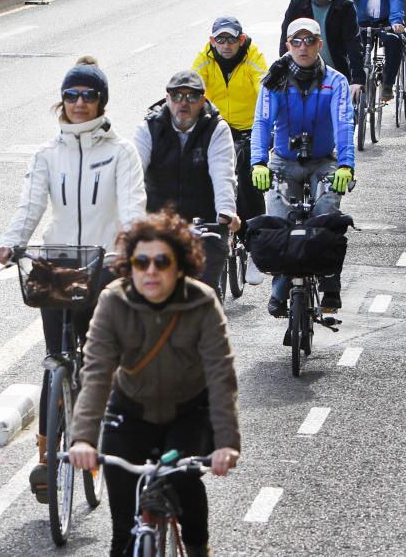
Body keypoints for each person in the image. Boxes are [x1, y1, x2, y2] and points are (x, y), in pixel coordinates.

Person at [0, 56, 146, 500]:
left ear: (101, 101)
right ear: (62, 101)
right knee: (55, 361)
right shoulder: (47, 154)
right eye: (71, 95)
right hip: (58, 266)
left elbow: (133, 205)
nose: (79, 104)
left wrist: (130, 250)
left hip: (105, 263)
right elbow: (29, 206)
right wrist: (10, 242)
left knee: (104, 359)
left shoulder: (121, 153)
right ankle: (46, 457)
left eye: (88, 96)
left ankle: (110, 434)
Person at [67, 210, 240, 557]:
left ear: (180, 266)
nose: (150, 271)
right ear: (129, 264)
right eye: (141, 261)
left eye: (162, 261)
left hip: (188, 412)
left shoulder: (202, 302)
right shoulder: (113, 300)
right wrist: (83, 438)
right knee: (123, 536)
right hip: (130, 412)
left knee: (184, 482)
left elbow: (220, 375)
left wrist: (226, 444)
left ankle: (196, 548)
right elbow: (97, 371)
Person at [252, 18, 355, 317]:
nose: (303, 47)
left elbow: (344, 124)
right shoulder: (274, 80)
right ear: (287, 45)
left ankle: (330, 286)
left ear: (319, 44)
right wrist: (258, 162)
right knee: (279, 222)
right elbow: (261, 123)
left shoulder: (336, 82)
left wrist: (346, 166)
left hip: (323, 160)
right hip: (283, 161)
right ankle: (280, 289)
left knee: (326, 215)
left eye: (309, 41)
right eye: (296, 41)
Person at [134, 70, 239, 292]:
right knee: (146, 290)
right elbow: (133, 177)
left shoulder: (216, 128)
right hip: (158, 222)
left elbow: (223, 174)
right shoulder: (149, 128)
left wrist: (226, 212)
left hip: (204, 223)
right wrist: (129, 217)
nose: (184, 103)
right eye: (177, 96)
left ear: (202, 100)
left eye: (192, 96)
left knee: (204, 291)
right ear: (167, 98)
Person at [191, 16, 269, 285]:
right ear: (212, 41)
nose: (226, 45)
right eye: (220, 39)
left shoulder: (252, 56)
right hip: (215, 126)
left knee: (249, 180)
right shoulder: (205, 58)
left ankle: (256, 251)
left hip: (248, 128)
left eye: (231, 39)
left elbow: (264, 85)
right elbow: (192, 87)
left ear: (241, 40)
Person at [279, 0, 365, 98]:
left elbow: (353, 44)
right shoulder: (297, 4)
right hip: (301, 74)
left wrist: (358, 80)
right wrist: (284, 72)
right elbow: (286, 41)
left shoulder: (345, 6)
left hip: (336, 74)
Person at [344, 0, 406, 101]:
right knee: (352, 48)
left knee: (395, 42)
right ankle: (353, 88)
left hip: (386, 20)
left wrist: (396, 22)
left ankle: (387, 85)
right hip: (362, 20)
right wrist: (346, 19)